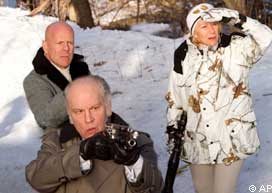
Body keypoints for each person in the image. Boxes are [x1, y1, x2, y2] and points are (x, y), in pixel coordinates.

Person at [166, 3, 272, 193]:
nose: (212, 30)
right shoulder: (182, 55)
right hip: (197, 139)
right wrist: (173, 128)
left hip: (231, 137)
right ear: (193, 32)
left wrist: (236, 18)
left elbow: (265, 37)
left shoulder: (237, 46)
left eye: (214, 24)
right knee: (203, 190)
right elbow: (176, 97)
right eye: (204, 26)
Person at [25, 75, 163, 193]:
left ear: (108, 108)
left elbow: (155, 188)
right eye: (79, 111)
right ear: (70, 116)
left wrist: (134, 163)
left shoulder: (137, 141)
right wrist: (80, 154)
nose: (88, 119)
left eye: (95, 108)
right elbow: (36, 178)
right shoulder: (57, 140)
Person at [23, 21, 90, 129]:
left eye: (70, 43)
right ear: (45, 46)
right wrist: (75, 91)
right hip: (62, 140)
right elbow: (44, 118)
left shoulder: (81, 68)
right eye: (60, 43)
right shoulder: (34, 80)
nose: (66, 48)